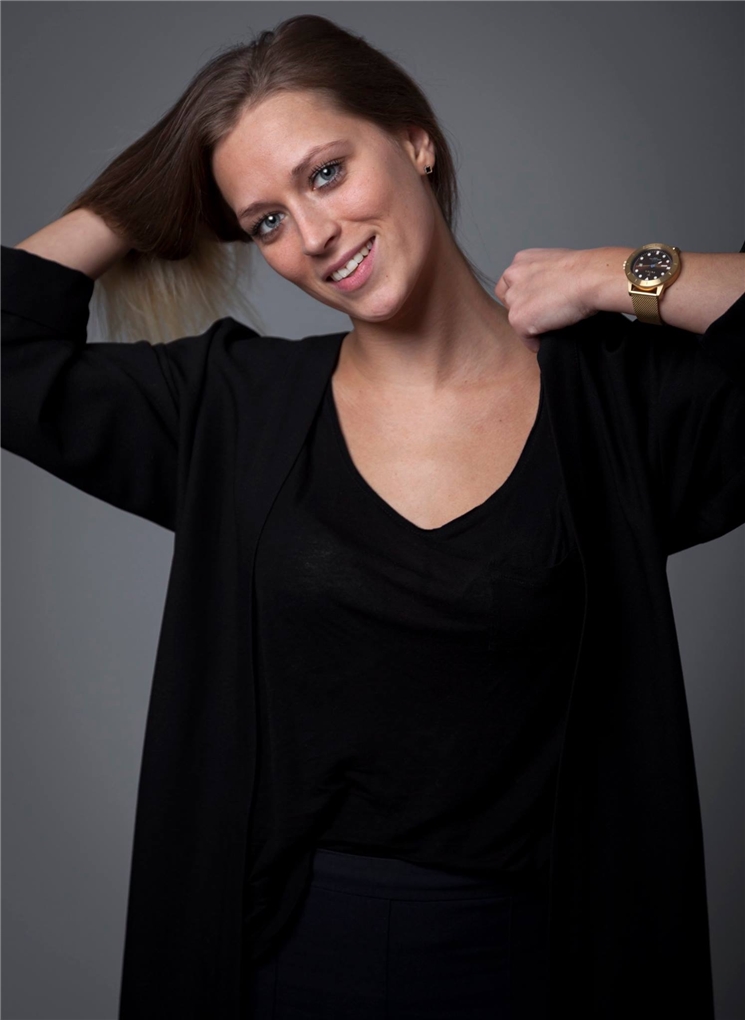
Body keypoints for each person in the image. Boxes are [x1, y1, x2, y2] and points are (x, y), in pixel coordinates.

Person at [2, 13, 744, 1020]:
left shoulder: (619, 406)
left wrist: (621, 272)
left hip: (552, 964)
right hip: (287, 964)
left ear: (412, 139)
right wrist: (143, 191)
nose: (313, 236)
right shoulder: (232, 412)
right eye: (265, 220)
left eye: (324, 173)